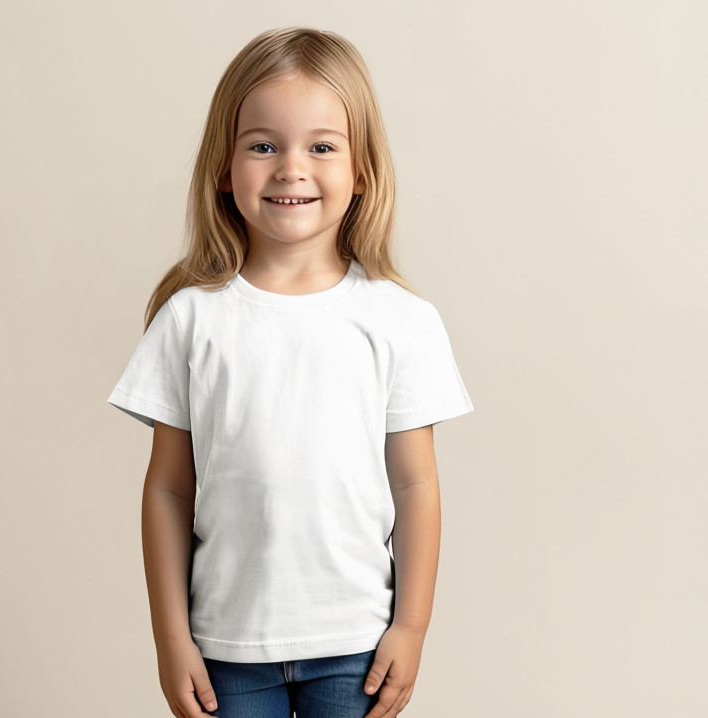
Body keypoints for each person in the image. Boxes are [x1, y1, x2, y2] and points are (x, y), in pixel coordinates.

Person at [107, 26, 474, 718]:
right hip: (226, 650)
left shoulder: (400, 321)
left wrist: (411, 626)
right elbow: (168, 489)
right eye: (263, 145)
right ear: (224, 166)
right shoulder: (191, 319)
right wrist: (170, 638)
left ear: (362, 170)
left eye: (322, 147)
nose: (291, 168)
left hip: (357, 647)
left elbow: (416, 484)